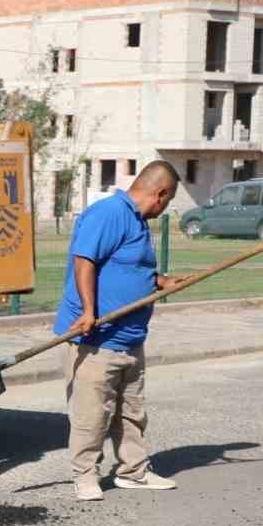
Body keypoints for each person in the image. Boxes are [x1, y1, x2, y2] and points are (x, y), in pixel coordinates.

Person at [55, 160, 189, 502]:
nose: (165, 208)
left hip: (130, 338)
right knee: (91, 414)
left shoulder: (138, 222)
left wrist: (161, 282)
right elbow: (84, 260)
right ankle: (85, 476)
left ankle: (133, 471)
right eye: (169, 201)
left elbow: (131, 269)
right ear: (160, 194)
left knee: (131, 411)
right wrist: (88, 311)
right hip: (96, 338)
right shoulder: (110, 213)